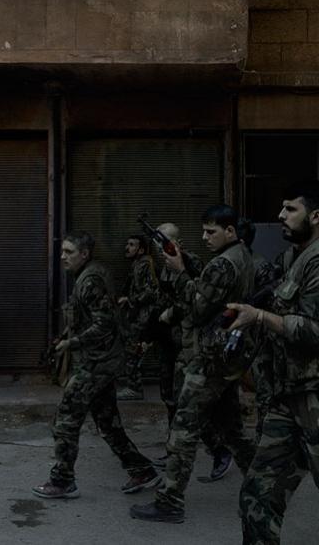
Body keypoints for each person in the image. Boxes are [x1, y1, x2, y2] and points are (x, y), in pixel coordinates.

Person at [130, 205, 257, 524]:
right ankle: (262, 485)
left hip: (208, 359)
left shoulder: (222, 265)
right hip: (228, 357)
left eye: (211, 231)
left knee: (183, 432)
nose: (205, 237)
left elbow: (199, 307)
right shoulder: (243, 256)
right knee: (231, 429)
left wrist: (177, 270)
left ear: (230, 231)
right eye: (202, 231)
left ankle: (170, 501)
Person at [32, 231, 160, 500]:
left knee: (66, 418)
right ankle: (142, 469)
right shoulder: (92, 272)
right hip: (103, 359)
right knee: (107, 422)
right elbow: (88, 316)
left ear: (84, 254)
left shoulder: (90, 280)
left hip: (97, 362)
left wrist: (73, 342)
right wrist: (66, 335)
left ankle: (63, 480)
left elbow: (104, 323)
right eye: (63, 251)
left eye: (69, 252)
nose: (63, 257)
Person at [234, 182, 319, 544]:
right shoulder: (293, 258)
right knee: (258, 493)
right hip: (288, 396)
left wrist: (259, 317)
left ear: (315, 216)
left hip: (315, 397)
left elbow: (315, 330)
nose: (280, 216)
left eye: (290, 209)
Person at [236, 217, 281, 444]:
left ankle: (262, 439)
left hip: (259, 338)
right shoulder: (233, 263)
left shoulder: (260, 266)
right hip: (239, 336)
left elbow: (271, 306)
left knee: (264, 391)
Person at [117, 235, 158, 401]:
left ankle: (134, 388)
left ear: (141, 249)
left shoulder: (144, 264)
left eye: (132, 245)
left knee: (132, 350)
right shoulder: (138, 264)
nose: (127, 247)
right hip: (139, 315)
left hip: (143, 316)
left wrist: (130, 300)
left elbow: (152, 291)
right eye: (127, 243)